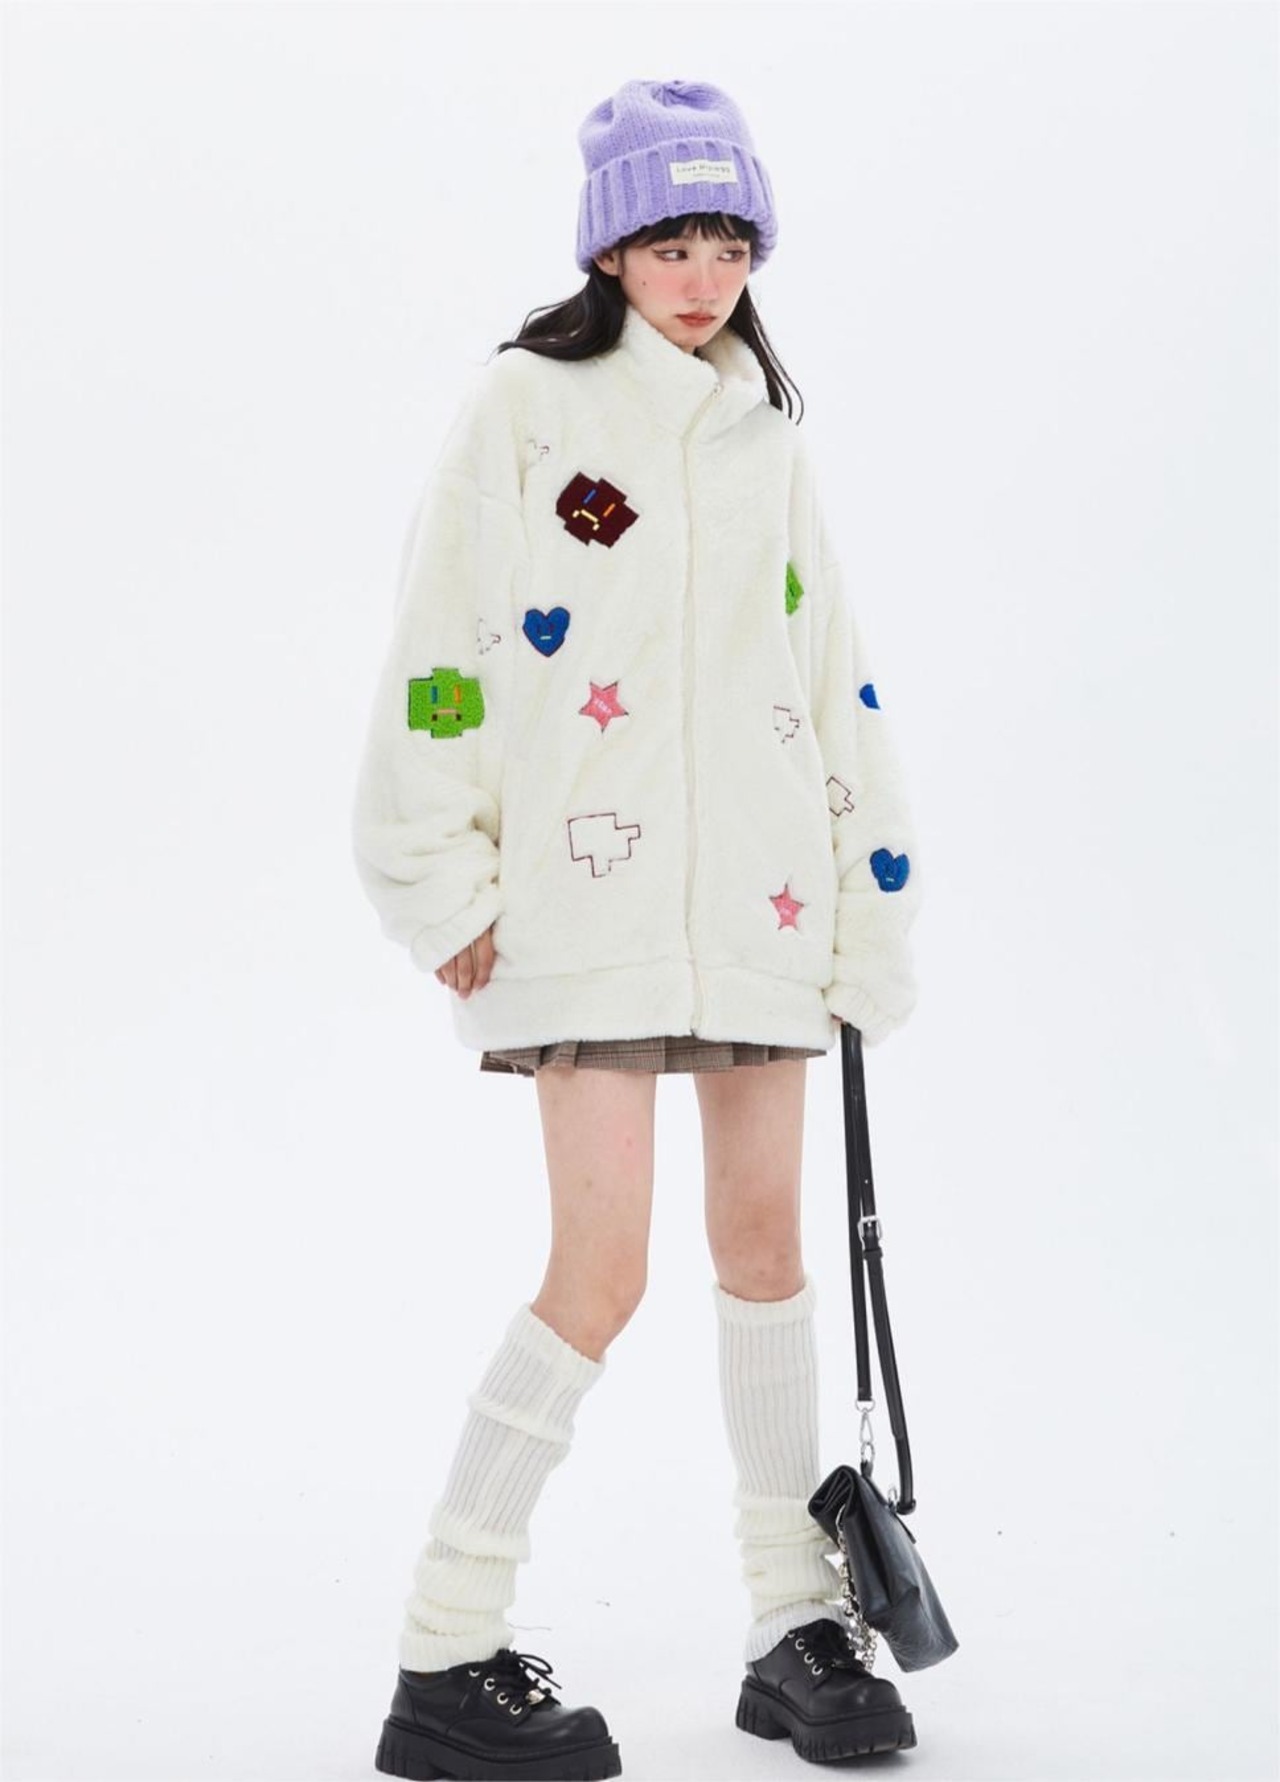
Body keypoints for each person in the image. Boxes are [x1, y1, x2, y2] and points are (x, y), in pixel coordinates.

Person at [353, 76, 923, 1780]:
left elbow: (832, 675)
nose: (703, 275)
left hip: (762, 904)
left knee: (767, 1257)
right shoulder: (525, 407)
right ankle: (446, 1645)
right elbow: (441, 643)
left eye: (730, 243)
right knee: (598, 1275)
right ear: (610, 247)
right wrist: (439, 874)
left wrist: (868, 901)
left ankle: (791, 1621)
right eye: (673, 242)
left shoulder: (769, 439)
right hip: (583, 907)